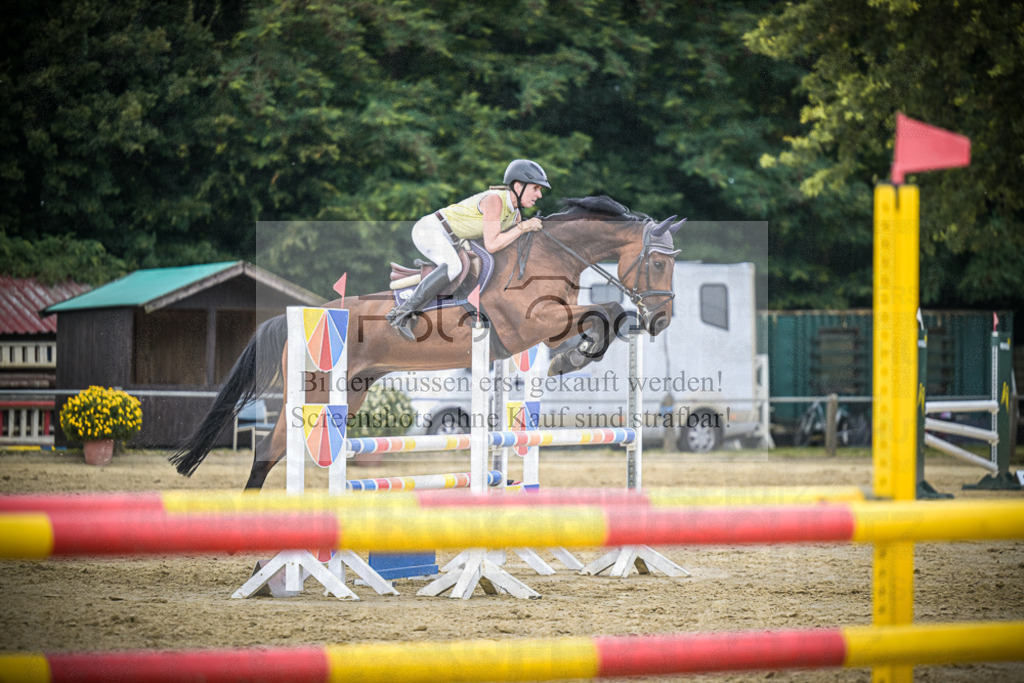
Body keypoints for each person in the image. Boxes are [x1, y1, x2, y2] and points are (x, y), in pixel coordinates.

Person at [387, 159, 551, 340]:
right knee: (453, 267)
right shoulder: (494, 200)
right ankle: (402, 313)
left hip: (451, 240)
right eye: (536, 188)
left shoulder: (515, 214)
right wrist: (523, 227)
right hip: (430, 230)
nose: (539, 195)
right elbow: (492, 245)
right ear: (518, 186)